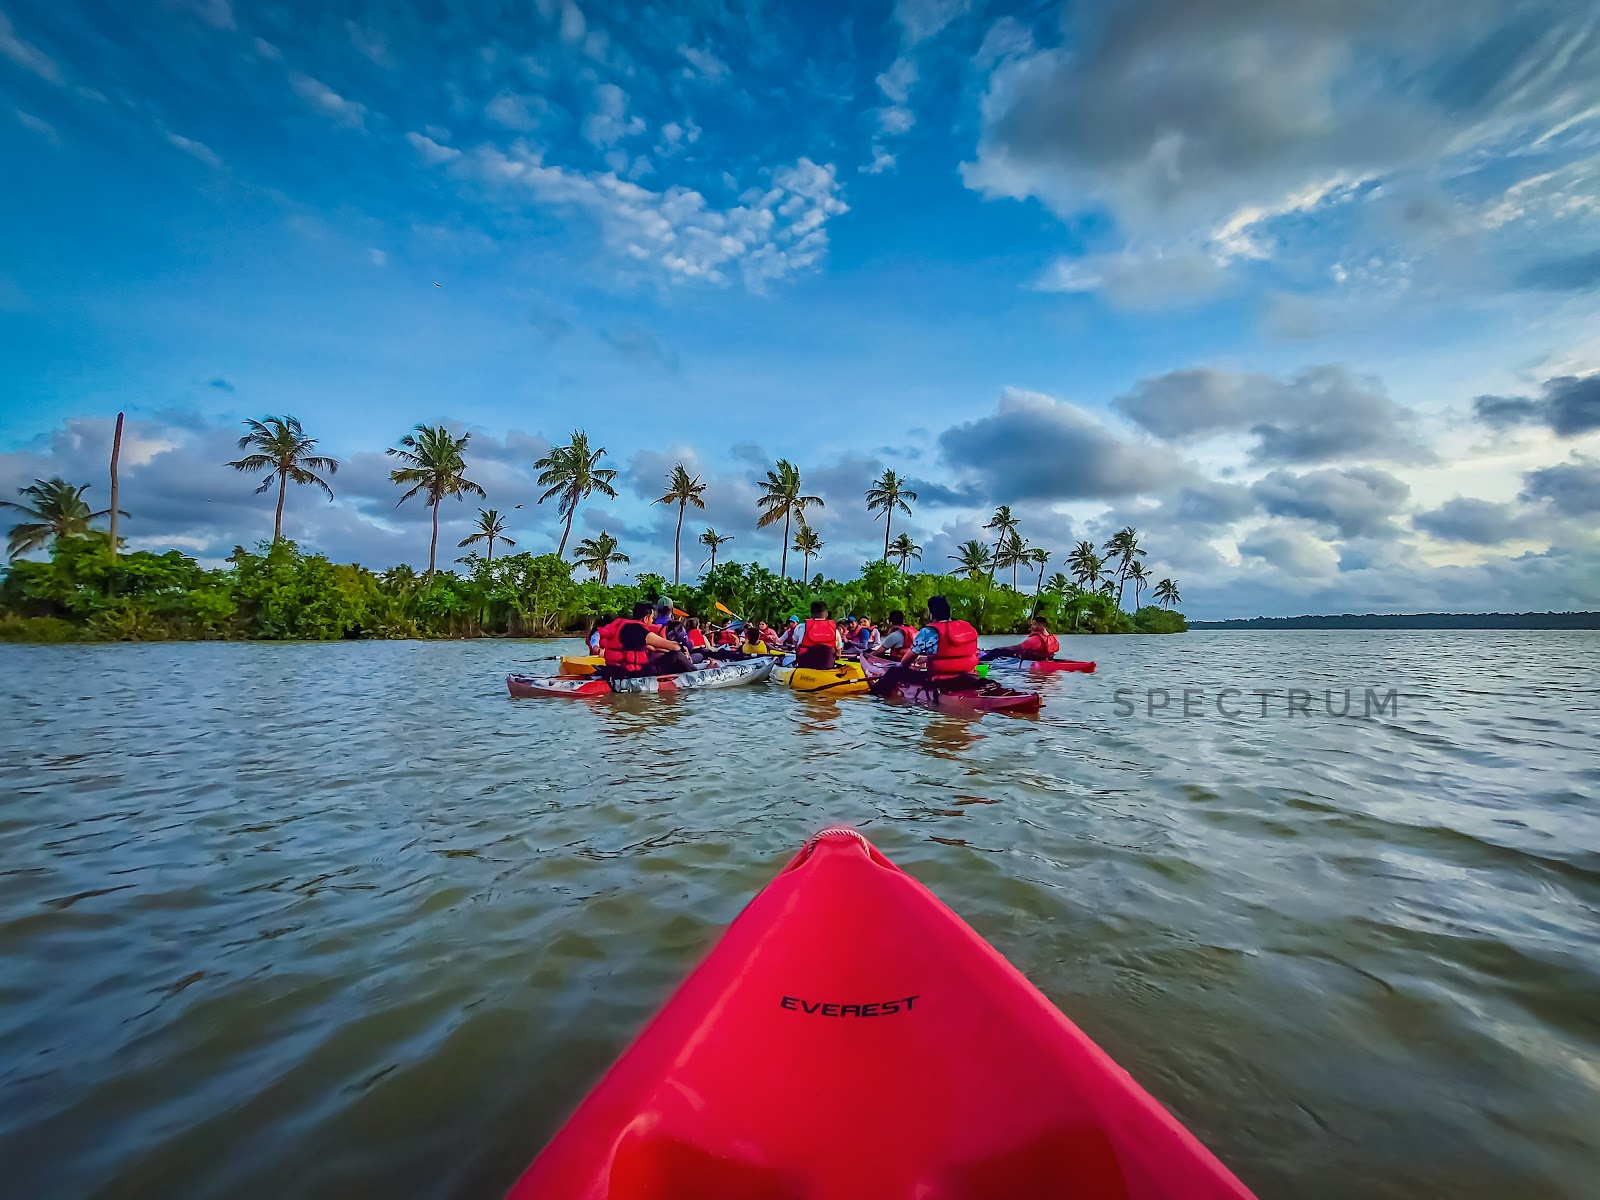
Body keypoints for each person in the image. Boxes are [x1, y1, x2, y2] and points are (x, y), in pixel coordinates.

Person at [871, 594, 979, 695]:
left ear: (931, 614)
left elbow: (905, 662)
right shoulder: (965, 627)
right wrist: (927, 659)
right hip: (968, 676)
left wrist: (908, 666)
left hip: (942, 680)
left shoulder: (928, 631)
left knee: (894, 671)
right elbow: (953, 653)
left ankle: (875, 697)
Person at [600, 602, 694, 677]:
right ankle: (694, 674)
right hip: (632, 674)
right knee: (676, 655)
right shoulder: (640, 631)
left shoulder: (625, 627)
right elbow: (671, 645)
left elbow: (653, 648)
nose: (653, 621)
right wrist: (683, 649)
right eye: (652, 618)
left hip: (614, 671)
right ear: (646, 618)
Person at [982, 614, 1059, 662]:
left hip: (1029, 658)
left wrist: (1001, 649)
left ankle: (980, 661)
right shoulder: (1050, 637)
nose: (1032, 626)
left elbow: (1017, 648)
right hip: (1045, 658)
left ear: (1042, 625)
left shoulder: (1036, 639)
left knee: (997, 651)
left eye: (1034, 624)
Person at [795, 600, 839, 670]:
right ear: (826, 614)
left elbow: (796, 644)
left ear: (811, 614)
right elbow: (839, 652)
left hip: (806, 665)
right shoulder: (834, 630)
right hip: (827, 666)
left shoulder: (801, 627)